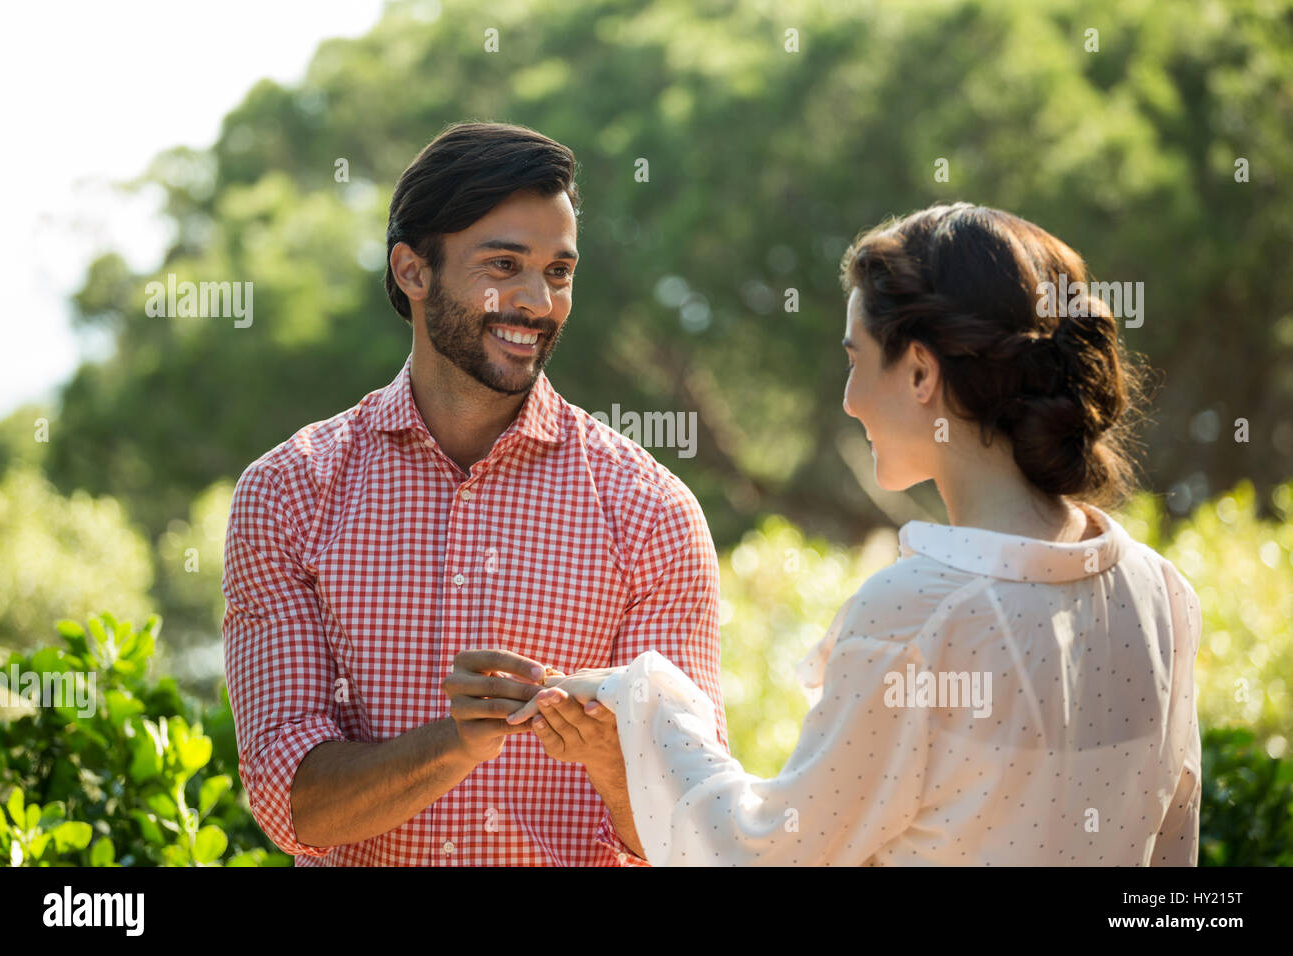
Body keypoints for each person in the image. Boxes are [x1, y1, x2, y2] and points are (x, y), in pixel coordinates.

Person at [510, 202, 1203, 866]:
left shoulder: (918, 615)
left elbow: (763, 856)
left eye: (856, 358)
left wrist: (647, 700)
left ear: (922, 371)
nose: (848, 400)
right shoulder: (1162, 597)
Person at [221, 122, 727, 866]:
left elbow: (694, 826)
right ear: (411, 270)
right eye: (504, 264)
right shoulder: (289, 493)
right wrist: (453, 744)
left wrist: (615, 763)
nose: (537, 301)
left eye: (559, 271)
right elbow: (287, 799)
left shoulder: (652, 514)